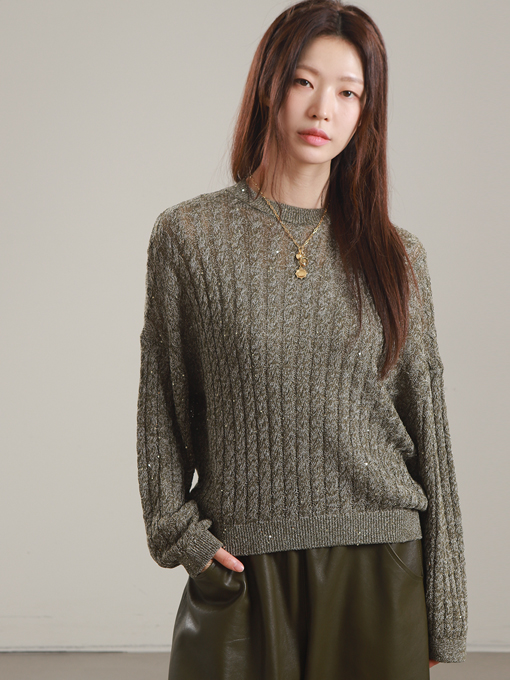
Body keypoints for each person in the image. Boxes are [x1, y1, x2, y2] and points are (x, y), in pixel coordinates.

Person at [136, 1, 468, 678]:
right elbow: (161, 406)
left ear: (366, 114)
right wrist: (181, 534)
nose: (323, 110)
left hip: (380, 565)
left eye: (349, 93)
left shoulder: (399, 257)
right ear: (270, 85)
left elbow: (428, 433)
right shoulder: (190, 238)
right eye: (304, 81)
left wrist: (445, 608)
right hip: (244, 567)